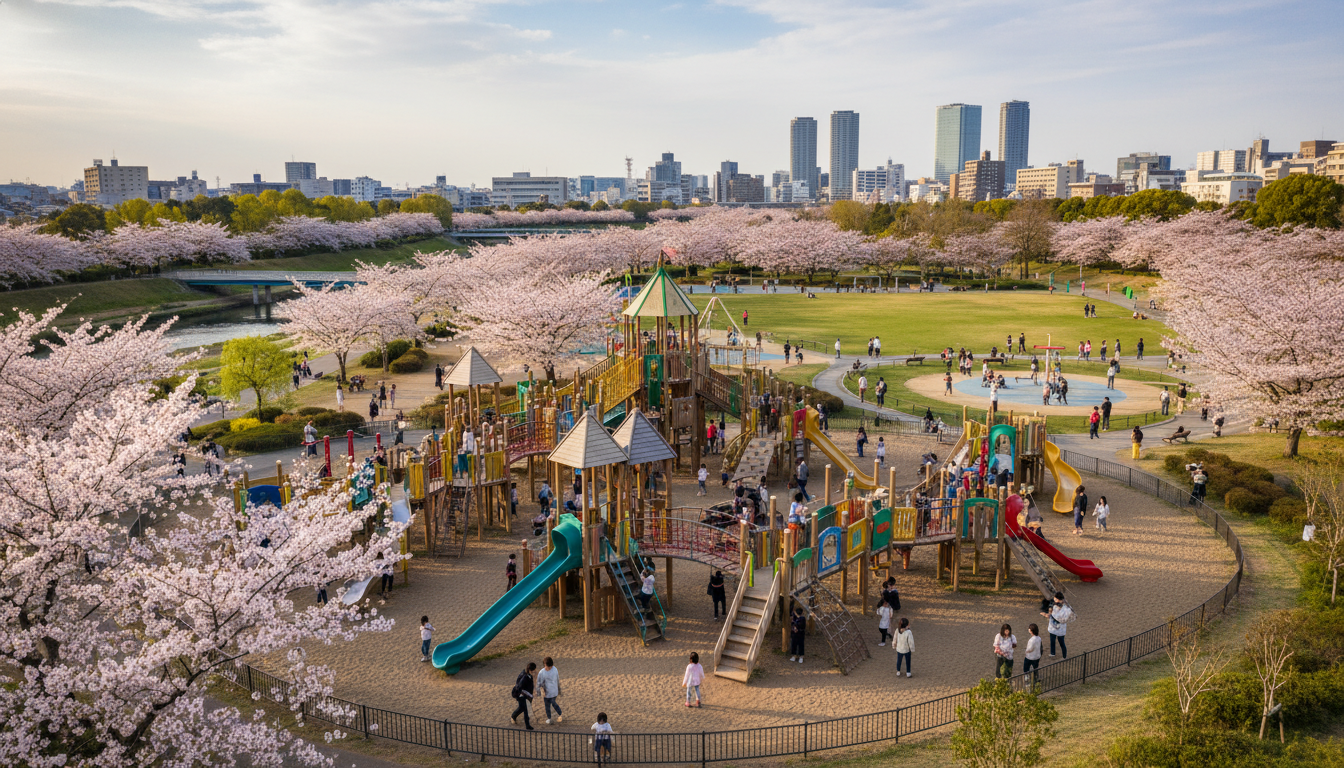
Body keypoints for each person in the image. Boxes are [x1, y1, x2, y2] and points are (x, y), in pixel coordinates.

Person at [1041, 592, 1074, 658]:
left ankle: (1062, 655)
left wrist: (1047, 615)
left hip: (1058, 627)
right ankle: (1054, 653)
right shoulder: (1063, 605)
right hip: (1057, 627)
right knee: (1055, 641)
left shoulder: (1062, 606)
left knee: (1060, 642)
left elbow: (1056, 616)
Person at [537, 657, 563, 724]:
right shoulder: (541, 672)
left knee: (553, 703)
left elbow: (557, 679)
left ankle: (560, 714)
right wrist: (539, 690)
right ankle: (549, 718)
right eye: (549, 666)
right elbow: (538, 683)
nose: (550, 668)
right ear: (545, 665)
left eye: (551, 666)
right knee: (547, 705)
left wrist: (559, 689)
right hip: (546, 692)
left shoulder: (555, 669)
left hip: (554, 691)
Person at [511, 662, 536, 729]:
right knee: (526, 710)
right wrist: (526, 695)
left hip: (525, 695)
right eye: (534, 670)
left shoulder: (528, 675)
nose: (535, 672)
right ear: (531, 670)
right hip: (522, 696)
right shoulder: (525, 677)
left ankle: (513, 716)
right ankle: (527, 725)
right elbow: (519, 688)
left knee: (521, 708)